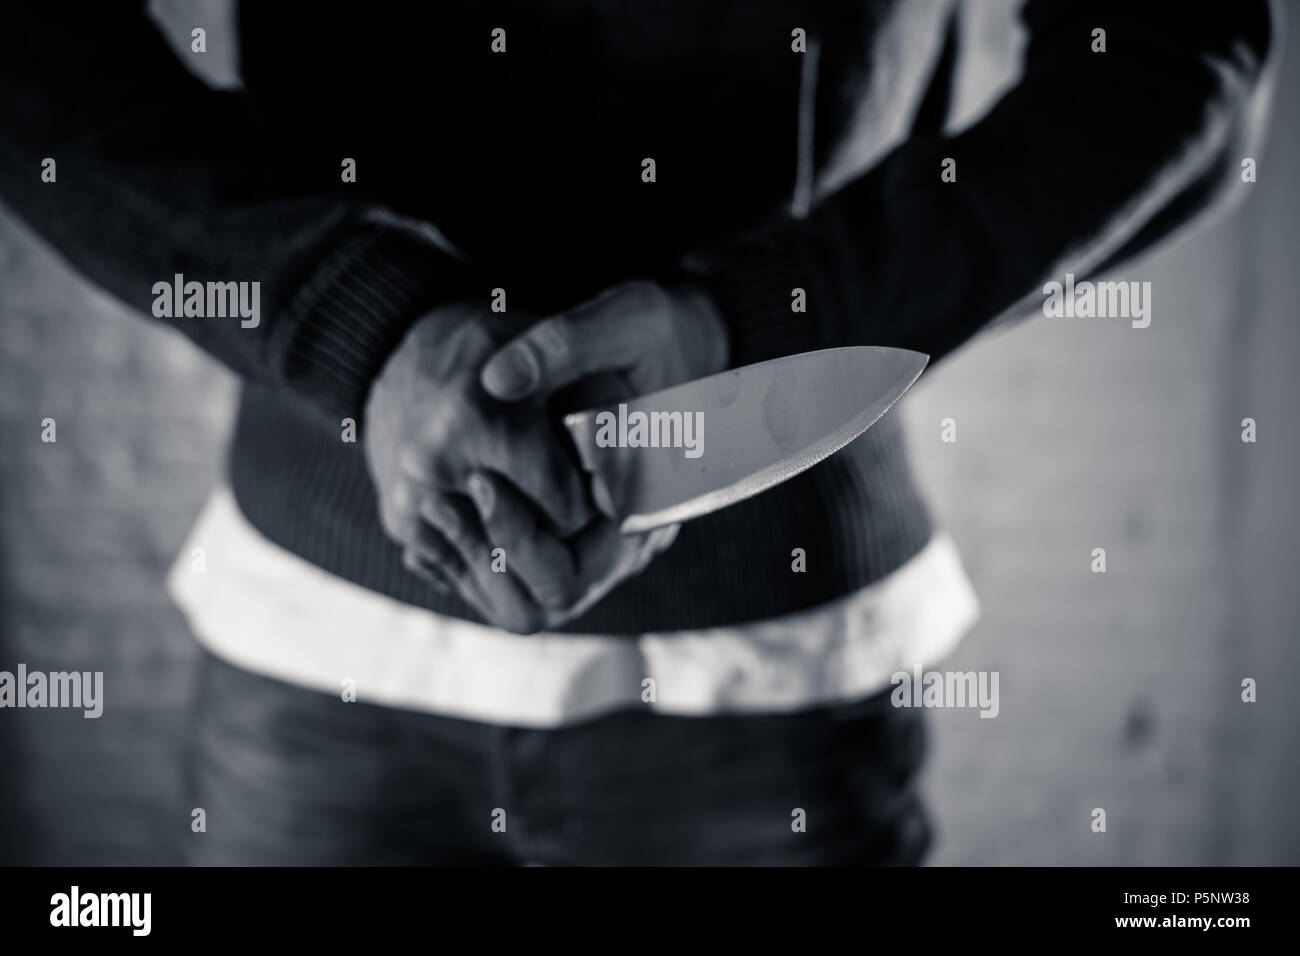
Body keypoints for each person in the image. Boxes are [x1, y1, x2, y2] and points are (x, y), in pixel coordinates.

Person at [0, 0, 1277, 865]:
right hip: (312, 644)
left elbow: (1177, 65)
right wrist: (361, 320)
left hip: (768, 670)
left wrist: (759, 317)